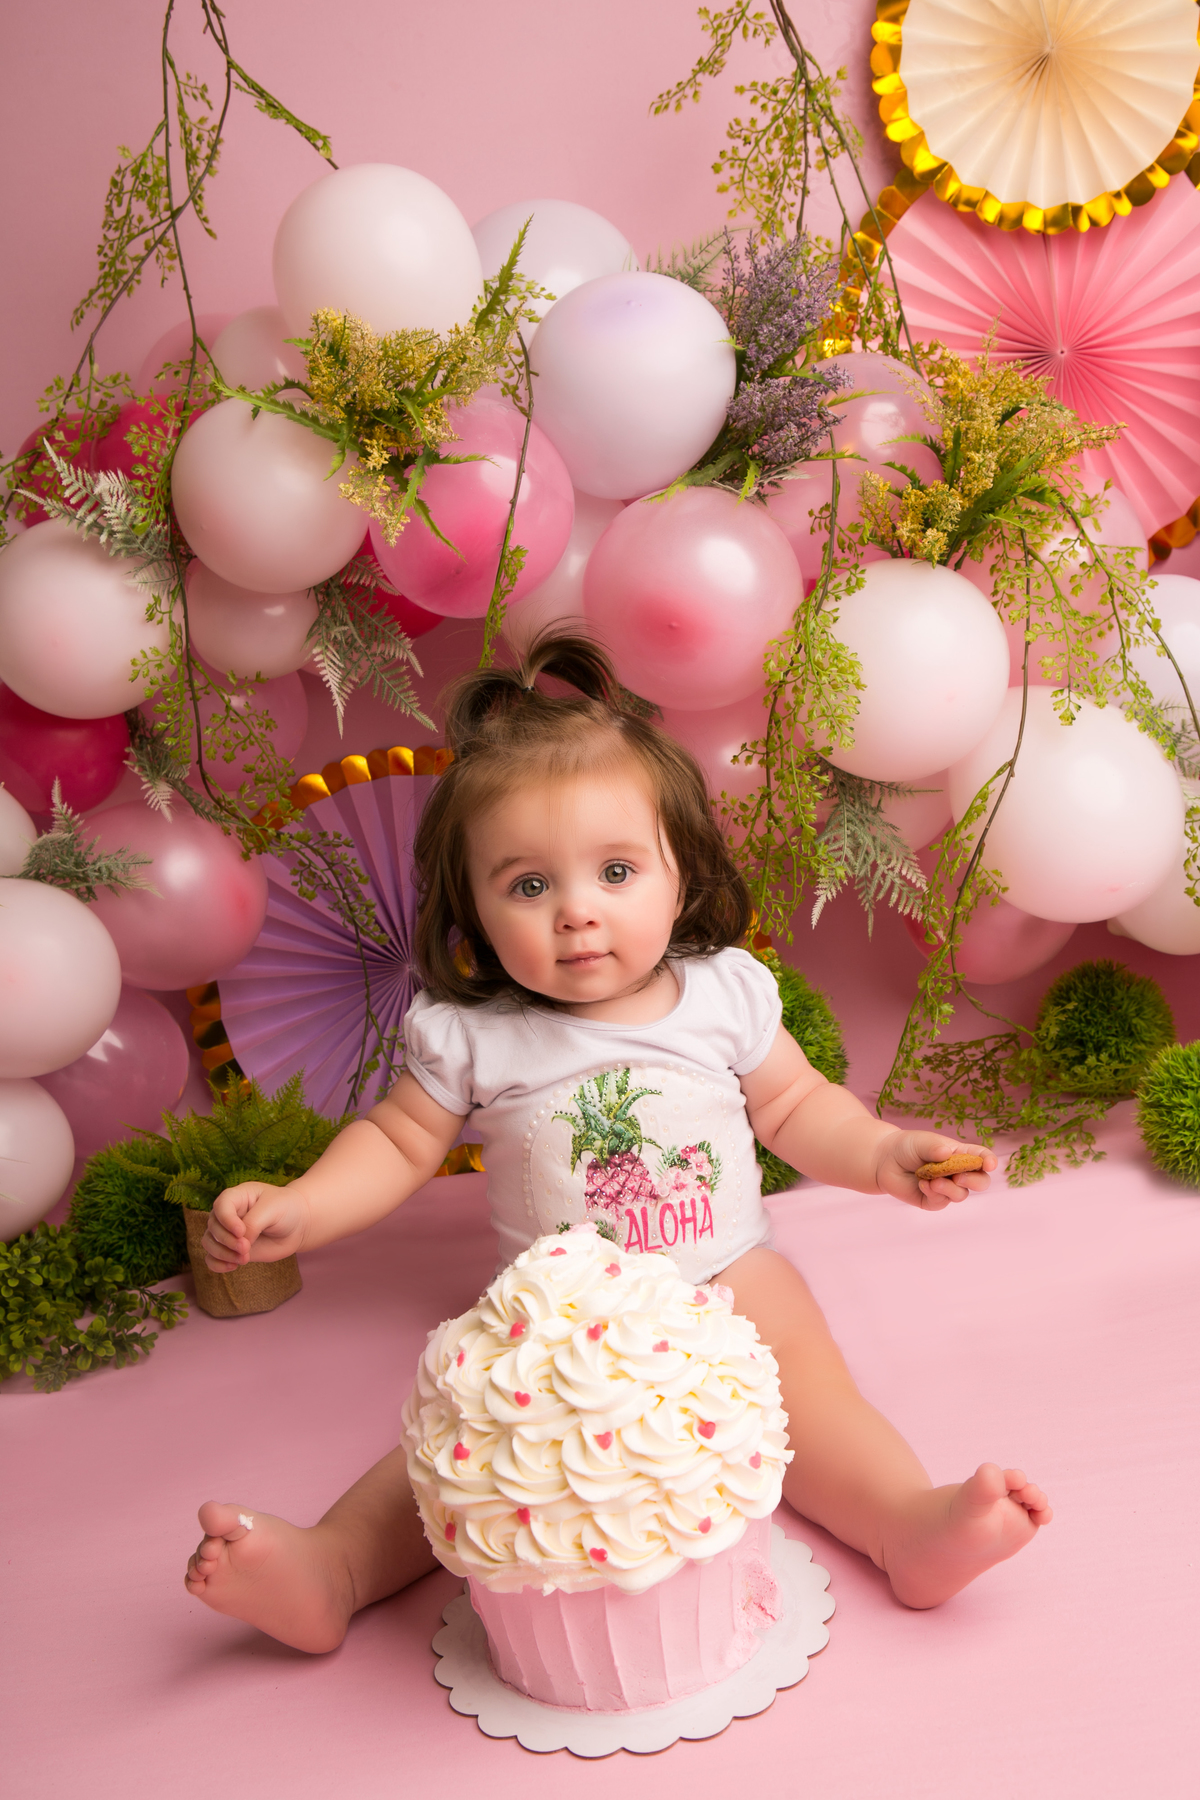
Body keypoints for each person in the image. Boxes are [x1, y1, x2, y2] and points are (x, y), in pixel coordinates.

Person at [185, 633, 1051, 1653]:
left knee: (814, 1404)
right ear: (471, 908)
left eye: (615, 870)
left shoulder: (722, 992)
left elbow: (796, 1109)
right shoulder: (476, 1035)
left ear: (679, 875)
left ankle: (908, 1523)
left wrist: (884, 1156)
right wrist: (303, 1205)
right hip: (561, 1320)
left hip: (729, 1274)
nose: (578, 913)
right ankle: (333, 1566)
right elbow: (397, 1143)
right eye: (528, 886)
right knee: (471, 1450)